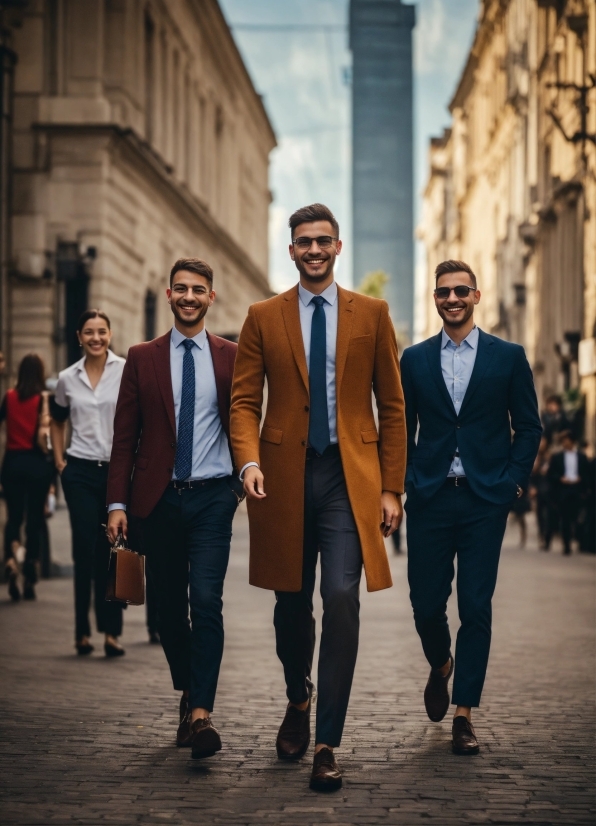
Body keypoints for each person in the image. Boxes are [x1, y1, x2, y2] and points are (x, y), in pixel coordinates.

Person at [230, 203, 407, 791]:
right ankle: (298, 696)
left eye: (323, 241)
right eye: (303, 241)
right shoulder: (262, 315)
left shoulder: (373, 314)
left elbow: (394, 405)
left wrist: (389, 486)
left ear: (337, 246)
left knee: (341, 598)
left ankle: (327, 740)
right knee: (290, 605)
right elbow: (244, 401)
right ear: (291, 250)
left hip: (346, 479)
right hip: (281, 476)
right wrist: (249, 460)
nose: (313, 250)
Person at [400, 259, 542, 756]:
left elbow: (529, 427)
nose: (452, 299)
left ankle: (464, 713)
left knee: (476, 607)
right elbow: (402, 428)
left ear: (476, 296)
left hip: (485, 499)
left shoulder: (508, 357)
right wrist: (405, 483)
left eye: (461, 290)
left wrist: (512, 484)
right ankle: (442, 664)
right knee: (424, 604)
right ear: (434, 299)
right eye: (443, 292)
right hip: (432, 497)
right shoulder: (414, 360)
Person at [106, 258, 241, 760]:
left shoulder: (232, 356)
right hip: (157, 501)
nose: (189, 296)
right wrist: (118, 502)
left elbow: (245, 420)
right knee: (167, 611)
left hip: (212, 496)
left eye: (198, 290)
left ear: (211, 297)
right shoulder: (142, 357)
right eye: (181, 288)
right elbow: (125, 437)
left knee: (206, 600)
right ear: (168, 295)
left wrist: (239, 482)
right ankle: (188, 689)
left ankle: (202, 712)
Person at [50, 310, 126, 657]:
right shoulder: (67, 378)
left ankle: (111, 632)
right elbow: (57, 421)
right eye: (89, 332)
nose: (96, 338)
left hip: (115, 472)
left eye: (102, 332)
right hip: (79, 471)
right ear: (79, 337)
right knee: (84, 548)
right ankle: (82, 631)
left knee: (113, 547)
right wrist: (60, 463)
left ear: (109, 335)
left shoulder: (125, 371)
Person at [1, 354, 53, 600]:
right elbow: (50, 440)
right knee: (34, 521)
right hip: (37, 466)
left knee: (13, 518)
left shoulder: (9, 397)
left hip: (12, 463)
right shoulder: (44, 400)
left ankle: (11, 558)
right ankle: (30, 569)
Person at [547, 431, 591, 555]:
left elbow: (587, 473)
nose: (564, 443)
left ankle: (580, 543)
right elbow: (551, 474)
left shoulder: (582, 457)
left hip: (577, 489)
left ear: (572, 441)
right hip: (564, 490)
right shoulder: (557, 457)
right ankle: (566, 545)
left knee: (577, 518)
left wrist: (581, 479)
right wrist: (560, 479)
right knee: (565, 518)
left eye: (566, 440)